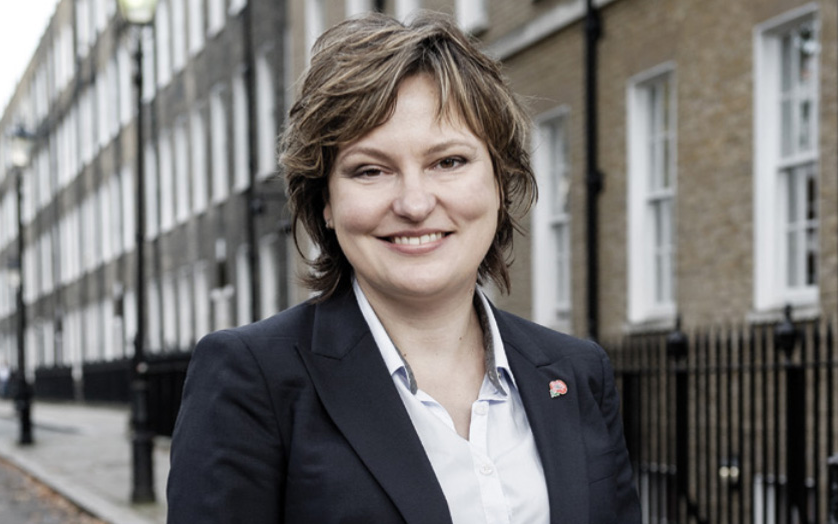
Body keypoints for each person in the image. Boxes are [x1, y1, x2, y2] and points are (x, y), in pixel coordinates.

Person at [167, 11, 640, 524]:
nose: (415, 203)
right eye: (370, 170)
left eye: (448, 162)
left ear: (500, 183)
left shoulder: (576, 372)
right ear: (325, 200)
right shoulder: (251, 378)